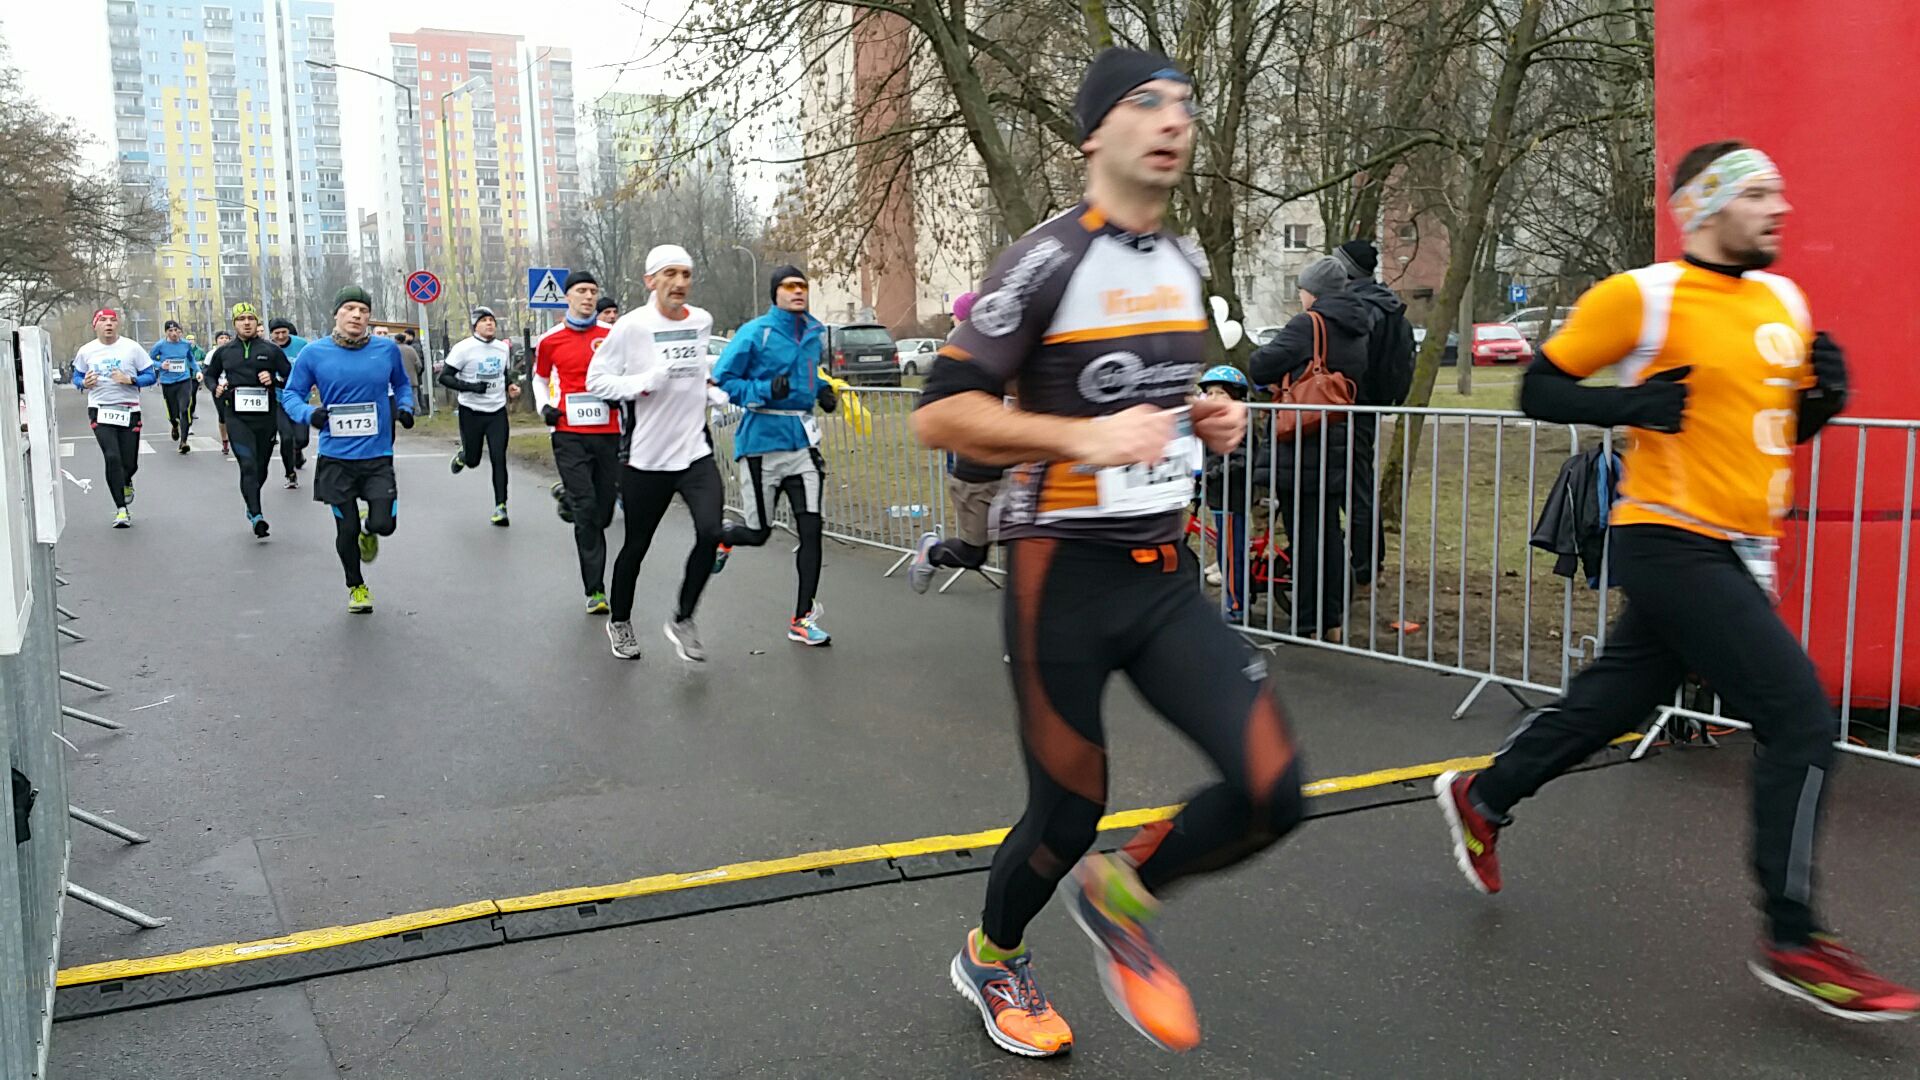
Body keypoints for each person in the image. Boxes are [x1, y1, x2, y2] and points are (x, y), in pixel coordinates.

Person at [1435, 141, 1918, 1022]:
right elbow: (1539, 391)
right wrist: (1633, 406)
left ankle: (1486, 793)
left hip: (1741, 544)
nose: (1781, 208)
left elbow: (1775, 431)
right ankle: (1795, 940)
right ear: (1705, 205)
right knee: (1800, 718)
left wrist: (1822, 401)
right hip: (1667, 536)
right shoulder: (1645, 296)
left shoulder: (1782, 300)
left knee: (1613, 701)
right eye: (1760, 193)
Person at [914, 48, 1305, 1058]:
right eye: (1145, 103)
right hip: (1062, 579)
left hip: (1164, 574)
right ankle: (992, 955)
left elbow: (1159, 396)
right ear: (1094, 133)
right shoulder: (1045, 259)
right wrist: (1080, 440)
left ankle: (1123, 894)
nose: (1173, 120)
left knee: (1273, 788)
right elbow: (941, 413)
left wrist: (1209, 414)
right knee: (1068, 811)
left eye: (1184, 104)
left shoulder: (1182, 265)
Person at [585, 245, 727, 661]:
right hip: (647, 458)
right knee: (636, 546)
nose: (680, 283)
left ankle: (683, 618)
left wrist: (715, 393)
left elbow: (696, 373)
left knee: (711, 532)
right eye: (670, 274)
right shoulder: (631, 326)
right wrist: (643, 383)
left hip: (694, 452)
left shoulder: (702, 321)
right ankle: (620, 620)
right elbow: (597, 380)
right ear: (650, 280)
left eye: (686, 274)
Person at [1247, 255, 1377, 642]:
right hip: (1339, 437)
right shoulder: (1358, 326)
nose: (1301, 296)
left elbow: (1261, 365)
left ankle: (1307, 621)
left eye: (1302, 289)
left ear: (1314, 292)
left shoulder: (1309, 323)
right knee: (1329, 532)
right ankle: (1331, 619)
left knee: (1304, 533)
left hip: (1302, 441)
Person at [710, 266, 838, 646]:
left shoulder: (814, 333)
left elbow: (810, 373)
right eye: (789, 286)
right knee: (759, 533)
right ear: (775, 294)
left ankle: (801, 619)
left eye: (802, 286)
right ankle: (725, 536)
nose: (798, 292)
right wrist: (765, 389)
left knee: (812, 530)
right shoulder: (757, 332)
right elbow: (724, 380)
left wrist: (823, 391)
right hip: (761, 445)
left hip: (802, 445)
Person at [279, 286, 415, 613]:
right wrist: (308, 414)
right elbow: (291, 394)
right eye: (350, 308)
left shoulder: (386, 350)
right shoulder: (314, 353)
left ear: (369, 317)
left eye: (363, 310)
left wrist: (406, 407)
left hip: (377, 455)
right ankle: (356, 586)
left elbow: (402, 384)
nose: (357, 315)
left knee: (384, 525)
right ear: (336, 314)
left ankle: (371, 528)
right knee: (346, 528)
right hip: (336, 458)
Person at [909, 289, 1008, 593]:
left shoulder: (1011, 346)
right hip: (976, 472)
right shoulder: (958, 353)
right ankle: (932, 553)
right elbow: (931, 415)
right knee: (973, 554)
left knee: (1028, 541)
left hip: (1017, 467)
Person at [1330, 239, 1415, 587]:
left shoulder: (1359, 309)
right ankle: (1370, 562)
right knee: (1360, 484)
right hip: (1368, 406)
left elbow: (1352, 359)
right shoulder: (1387, 304)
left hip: (1350, 405)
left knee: (1355, 488)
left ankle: (1364, 567)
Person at [533, 270, 619, 613]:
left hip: (608, 431)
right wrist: (545, 407)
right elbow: (540, 379)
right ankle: (595, 590)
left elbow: (626, 374)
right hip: (568, 431)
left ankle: (567, 497)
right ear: (567, 297)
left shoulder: (612, 335)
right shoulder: (550, 340)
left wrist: (618, 396)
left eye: (593, 291)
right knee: (587, 511)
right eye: (581, 291)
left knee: (604, 511)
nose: (588, 297)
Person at [203, 303, 291, 537]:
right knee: (248, 464)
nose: (247, 322)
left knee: (261, 468)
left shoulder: (270, 350)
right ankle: (257, 514)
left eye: (251, 318)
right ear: (234, 324)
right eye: (241, 319)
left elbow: (290, 377)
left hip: (266, 417)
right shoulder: (225, 352)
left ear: (257, 322)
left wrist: (273, 379)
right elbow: (210, 376)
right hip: (237, 417)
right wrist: (215, 388)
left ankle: (251, 500)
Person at [70, 309, 157, 527]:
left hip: (129, 410)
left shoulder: (132, 348)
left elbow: (151, 376)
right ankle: (121, 509)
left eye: (112, 320)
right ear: (95, 325)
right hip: (100, 409)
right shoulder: (86, 351)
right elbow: (77, 376)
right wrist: (83, 383)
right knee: (112, 457)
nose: (108, 324)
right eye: (103, 320)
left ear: (118, 325)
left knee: (130, 463)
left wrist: (130, 380)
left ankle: (126, 480)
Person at [1196, 365, 1266, 620]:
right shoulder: (1214, 422)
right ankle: (1237, 598)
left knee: (1231, 554)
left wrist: (1213, 473)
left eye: (1220, 393)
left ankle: (1237, 606)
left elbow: (1241, 458)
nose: (1213, 398)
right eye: (1210, 393)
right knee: (1226, 551)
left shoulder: (1237, 422)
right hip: (1219, 495)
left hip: (1232, 496)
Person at [440, 306, 520, 525]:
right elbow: (444, 377)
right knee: (474, 460)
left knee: (498, 458)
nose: (489, 323)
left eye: (492, 320)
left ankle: (501, 507)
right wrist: (471, 387)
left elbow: (503, 373)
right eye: (484, 320)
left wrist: (510, 386)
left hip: (497, 412)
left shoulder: (502, 348)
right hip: (471, 412)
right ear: (475, 326)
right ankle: (464, 456)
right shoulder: (463, 348)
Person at [270, 317, 313, 487]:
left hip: (300, 398)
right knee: (286, 437)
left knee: (302, 439)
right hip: (278, 399)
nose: (280, 336)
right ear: (271, 334)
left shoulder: (302, 345)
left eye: (284, 332)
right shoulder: (268, 348)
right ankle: (290, 474)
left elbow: (312, 365)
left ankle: (297, 452)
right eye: (276, 333)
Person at [149, 319, 203, 453]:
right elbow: (149, 360)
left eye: (176, 330)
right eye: (170, 331)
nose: (174, 333)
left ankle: (183, 442)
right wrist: (160, 365)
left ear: (180, 331)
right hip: (168, 382)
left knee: (184, 409)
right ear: (166, 332)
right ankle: (174, 425)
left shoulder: (185, 344)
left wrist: (197, 371)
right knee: (173, 413)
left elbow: (191, 359)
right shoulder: (160, 345)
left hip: (184, 380)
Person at [210, 329, 235, 457]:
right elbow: (208, 374)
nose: (224, 340)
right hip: (219, 390)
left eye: (226, 338)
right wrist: (214, 387)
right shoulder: (211, 354)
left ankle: (236, 439)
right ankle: (225, 441)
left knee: (235, 415)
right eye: (221, 338)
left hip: (233, 389)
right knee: (222, 416)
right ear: (216, 341)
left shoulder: (235, 352)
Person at [394, 331, 426, 411]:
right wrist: (416, 373)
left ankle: (403, 411)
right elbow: (419, 364)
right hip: (412, 378)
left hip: (398, 379)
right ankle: (417, 411)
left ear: (397, 340)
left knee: (400, 396)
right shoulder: (411, 349)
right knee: (414, 396)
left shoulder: (394, 350)